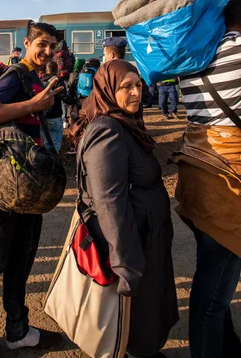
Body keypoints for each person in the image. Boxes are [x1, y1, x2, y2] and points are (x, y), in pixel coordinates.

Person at [0, 21, 64, 358]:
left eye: (52, 46)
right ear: (27, 43)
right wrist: (33, 106)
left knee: (21, 260)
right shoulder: (16, 75)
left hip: (27, 185)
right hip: (4, 186)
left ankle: (17, 330)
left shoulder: (37, 78)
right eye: (42, 44)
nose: (47, 51)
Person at [70, 60, 178, 358]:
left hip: (146, 234)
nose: (134, 93)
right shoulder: (108, 131)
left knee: (147, 307)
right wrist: (126, 263)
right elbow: (109, 203)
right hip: (133, 243)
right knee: (136, 314)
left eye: (138, 85)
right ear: (107, 89)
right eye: (125, 86)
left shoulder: (125, 123)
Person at [173, 0, 241, 358]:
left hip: (197, 178)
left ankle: (227, 345)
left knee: (214, 274)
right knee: (213, 292)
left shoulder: (193, 57)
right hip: (228, 186)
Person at [41, 61, 76, 153]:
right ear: (57, 69)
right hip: (55, 115)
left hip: (42, 115)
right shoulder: (57, 80)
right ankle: (53, 162)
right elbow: (64, 97)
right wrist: (76, 101)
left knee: (46, 140)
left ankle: (45, 161)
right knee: (55, 141)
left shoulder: (40, 80)